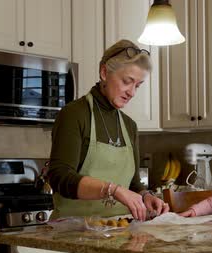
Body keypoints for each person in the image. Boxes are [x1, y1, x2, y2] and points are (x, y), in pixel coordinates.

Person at [48, 39, 169, 221]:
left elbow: (133, 183)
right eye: (127, 81)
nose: (132, 93)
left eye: (137, 85)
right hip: (73, 233)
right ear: (104, 72)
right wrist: (113, 190)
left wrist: (146, 197)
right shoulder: (74, 114)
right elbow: (60, 177)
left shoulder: (129, 126)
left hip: (118, 231)